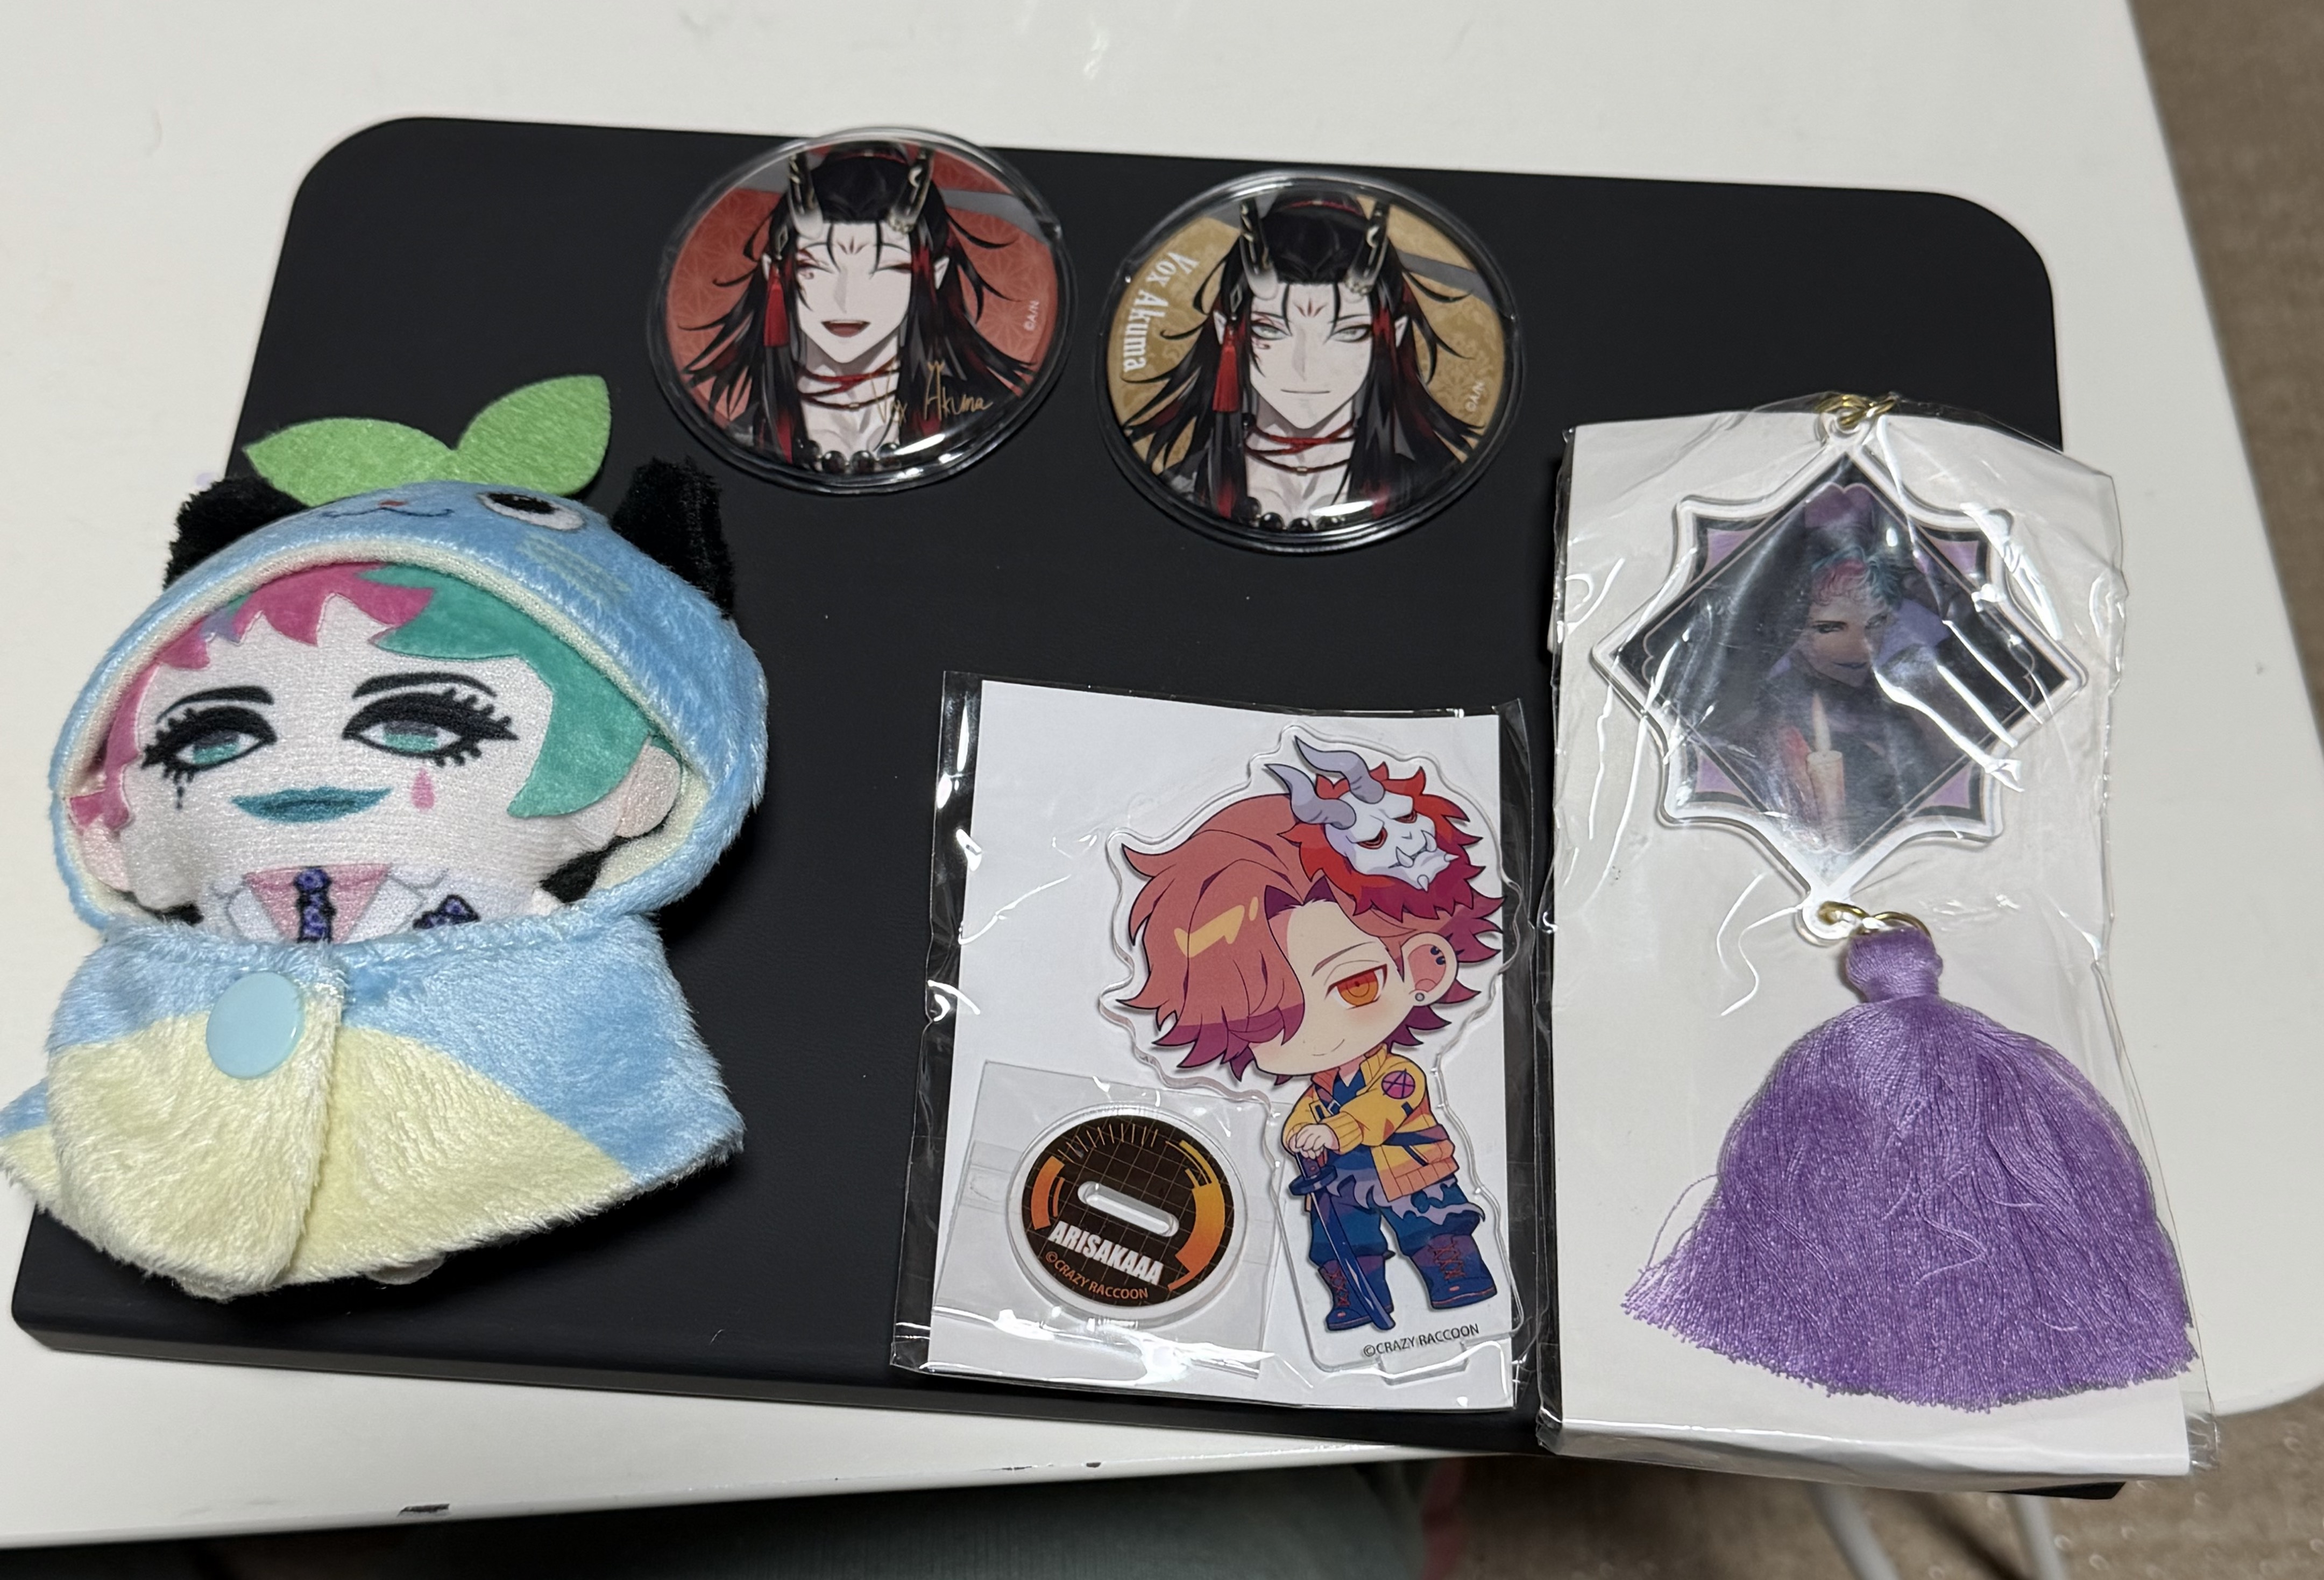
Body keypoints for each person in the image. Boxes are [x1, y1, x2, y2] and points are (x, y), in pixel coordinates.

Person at [1119, 743, 1500, 1332]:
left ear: (1422, 971)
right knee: (1337, 1239)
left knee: (1432, 1225)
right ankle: (1353, 1292)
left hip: (1412, 1172)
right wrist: (1301, 1132)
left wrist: (1333, 1130)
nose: (1310, 1033)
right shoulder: (1317, 1091)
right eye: (1268, 1019)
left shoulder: (1400, 1073)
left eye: (1354, 986)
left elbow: (1381, 1108)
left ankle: (1455, 1273)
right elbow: (1305, 1115)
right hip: (1342, 1179)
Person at [1121, 193, 1480, 535]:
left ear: (1394, 336)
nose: (1306, 367)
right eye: (1270, 330)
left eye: (1348, 332)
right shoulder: (1188, 485)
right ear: (1224, 331)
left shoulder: (1422, 486)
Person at [682, 141, 1034, 475]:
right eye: (814, 268)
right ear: (774, 272)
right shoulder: (749, 434)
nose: (846, 299)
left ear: (935, 274)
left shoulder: (979, 416)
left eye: (885, 268)